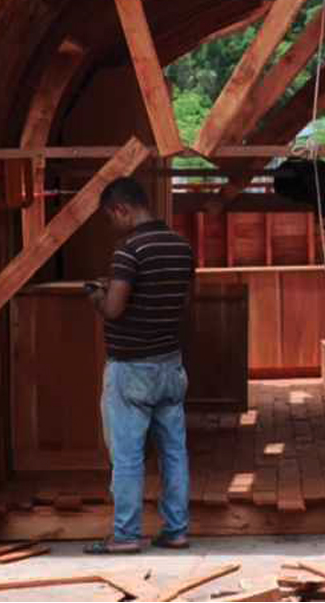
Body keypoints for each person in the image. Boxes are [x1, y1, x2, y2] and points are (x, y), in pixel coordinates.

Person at [84, 177, 194, 554]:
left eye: (110, 217)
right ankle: (176, 530)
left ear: (121, 209)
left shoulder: (129, 249)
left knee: (128, 456)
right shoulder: (181, 246)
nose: (112, 225)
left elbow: (114, 309)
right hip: (170, 366)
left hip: (132, 369)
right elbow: (176, 301)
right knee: (174, 452)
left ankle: (127, 535)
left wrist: (98, 295)